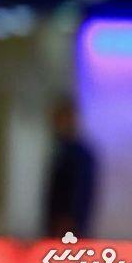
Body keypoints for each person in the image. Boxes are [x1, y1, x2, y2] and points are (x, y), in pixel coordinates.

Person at [43, 95, 98, 238]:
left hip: (68, 229)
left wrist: (69, 223)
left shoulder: (80, 155)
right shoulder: (60, 150)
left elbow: (81, 194)